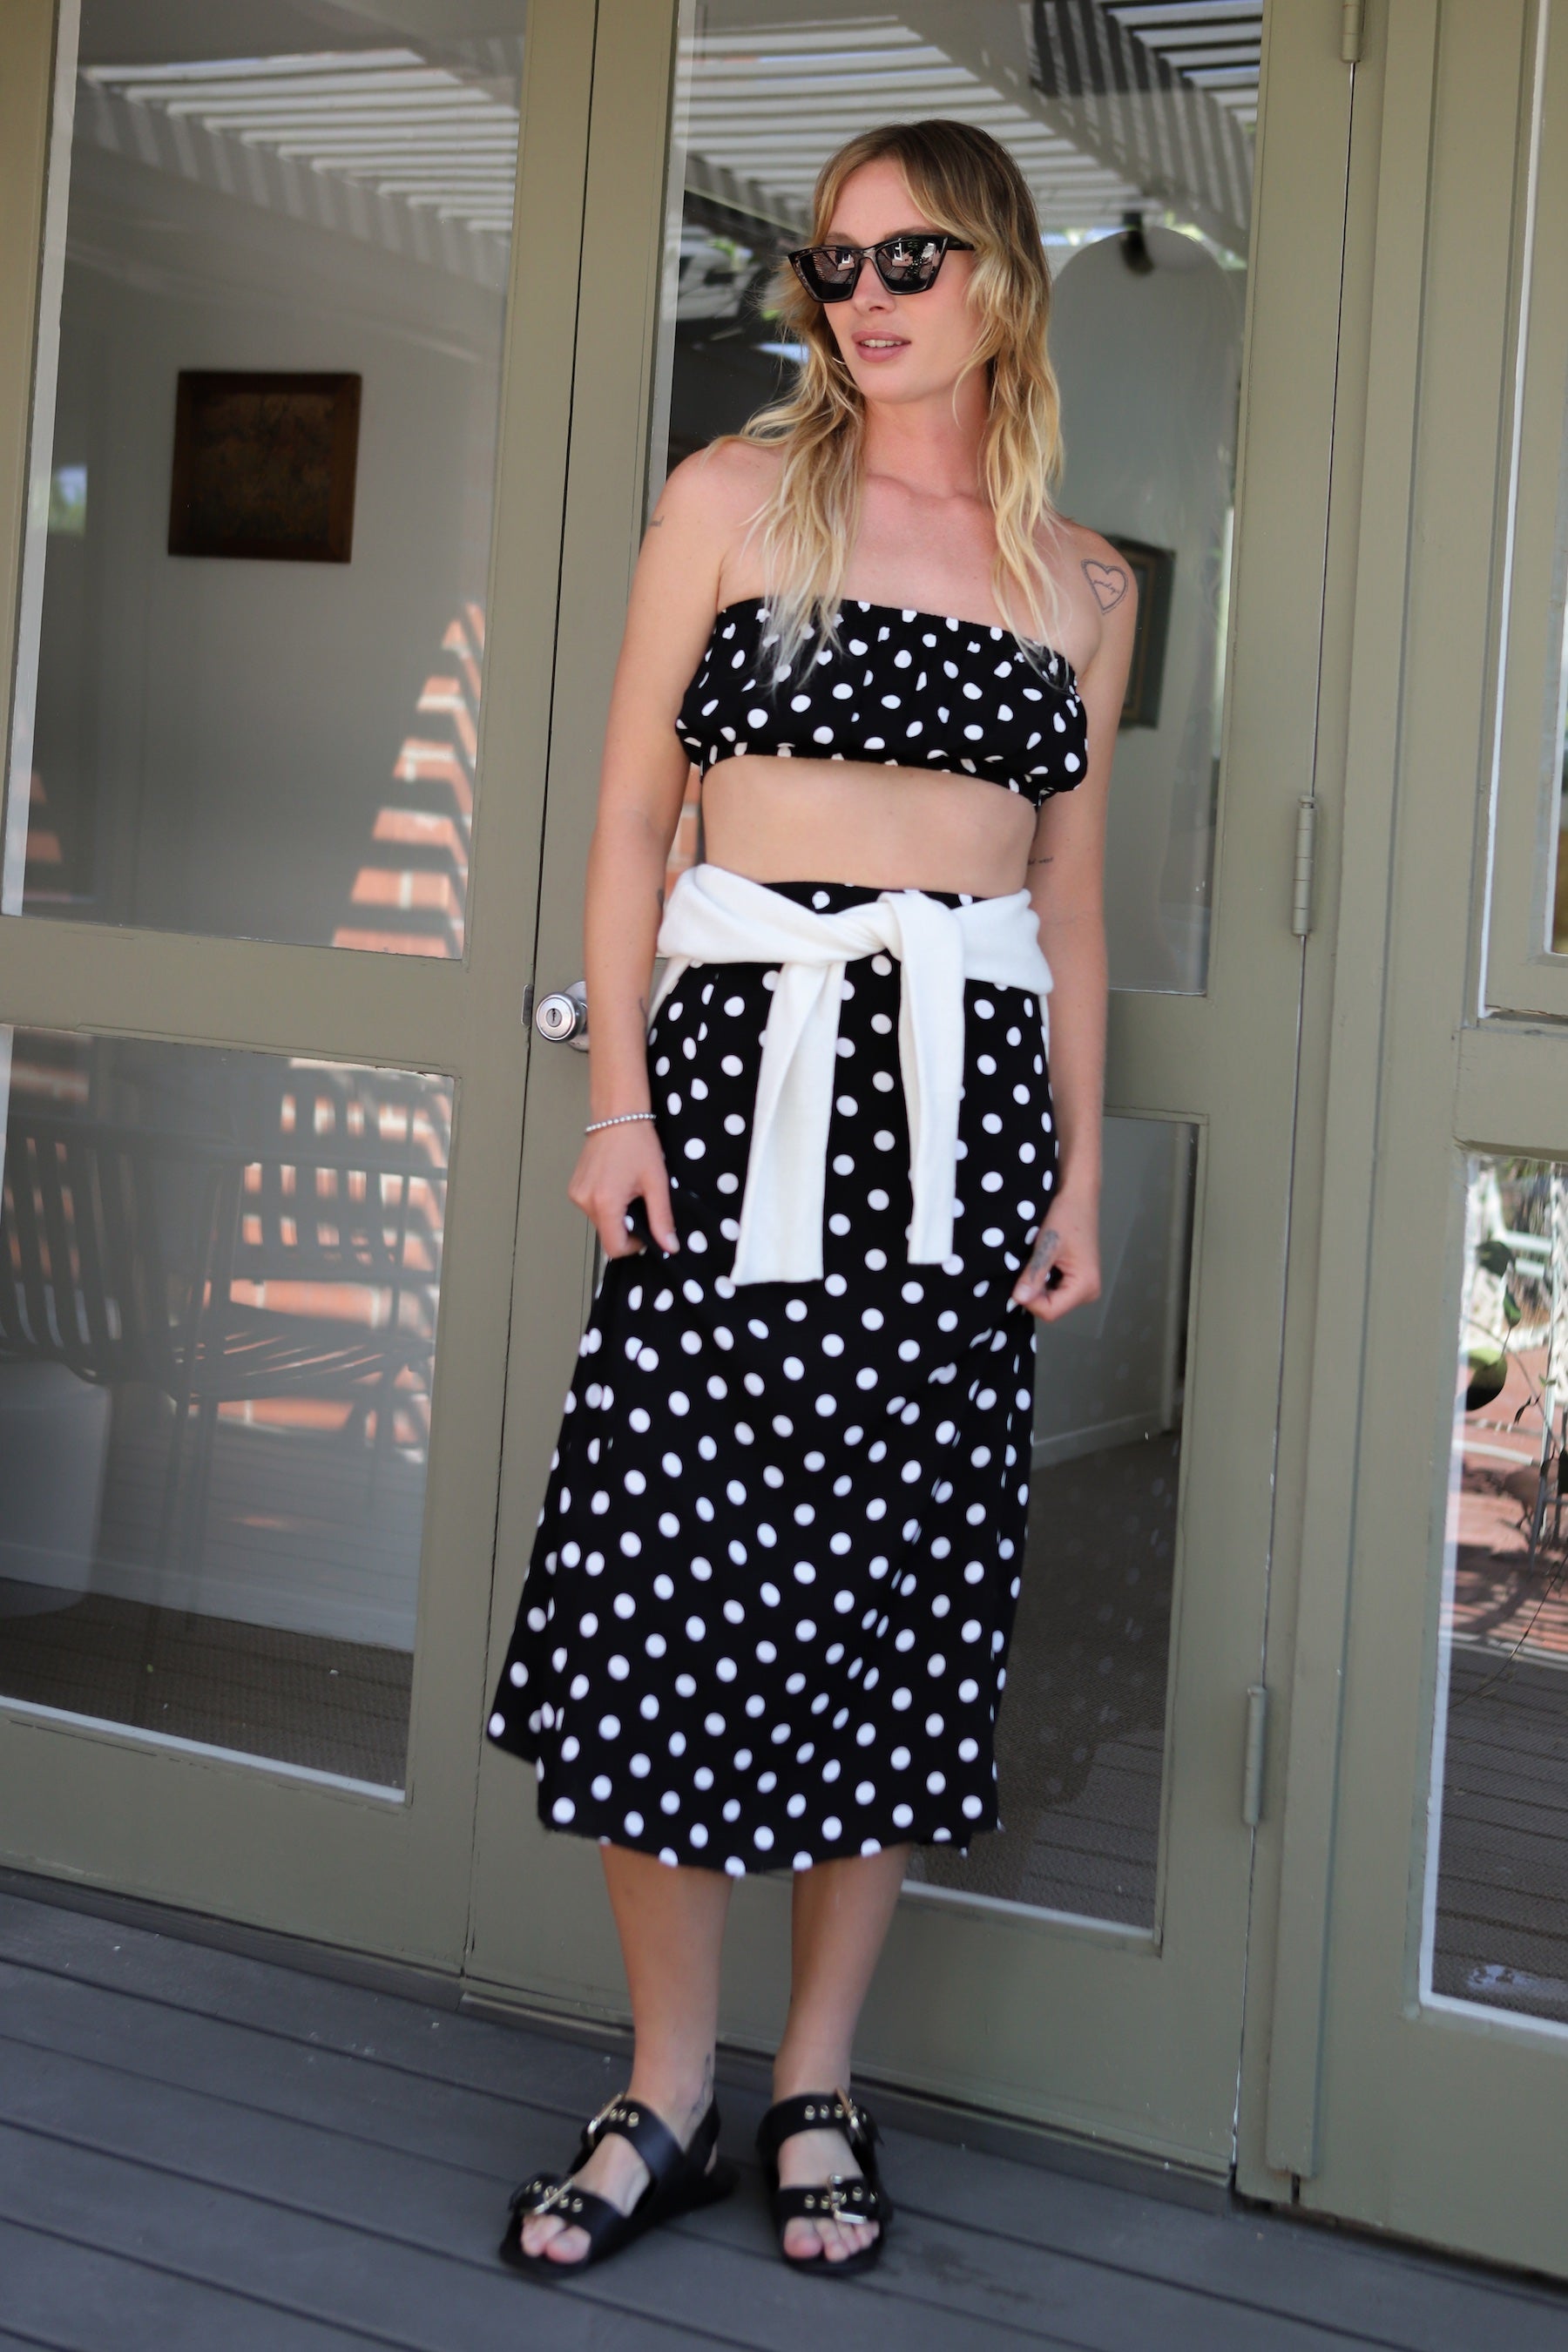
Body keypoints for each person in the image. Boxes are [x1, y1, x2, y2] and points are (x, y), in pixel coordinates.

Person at [486, 115, 1134, 2281]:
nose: (862, 297)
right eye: (832, 263)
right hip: (732, 1095)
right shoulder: (732, 500)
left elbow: (1070, 905)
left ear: (1002, 279)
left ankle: (817, 2084)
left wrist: (1078, 1170)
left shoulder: (1085, 586)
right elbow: (626, 819)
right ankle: (667, 2086)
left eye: (907, 258)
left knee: (895, 1605)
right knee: (671, 1589)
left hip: (955, 1143)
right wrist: (617, 1106)